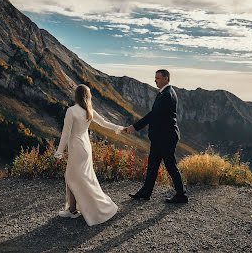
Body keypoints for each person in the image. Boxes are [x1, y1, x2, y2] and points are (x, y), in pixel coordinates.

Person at [54, 84, 124, 226]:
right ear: (88, 96)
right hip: (86, 148)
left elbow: (66, 134)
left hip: (76, 148)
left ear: (76, 96)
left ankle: (82, 210)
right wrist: (119, 128)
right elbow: (104, 123)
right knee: (80, 178)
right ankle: (73, 210)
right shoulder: (89, 111)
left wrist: (59, 152)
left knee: (72, 178)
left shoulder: (71, 111)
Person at [123, 69, 188, 203]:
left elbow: (153, 115)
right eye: (155, 78)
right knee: (153, 165)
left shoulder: (167, 94)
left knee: (170, 165)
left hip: (166, 137)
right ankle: (146, 193)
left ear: (166, 78)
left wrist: (134, 127)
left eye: (158, 78)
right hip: (161, 137)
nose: (155, 80)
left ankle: (182, 194)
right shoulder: (166, 92)